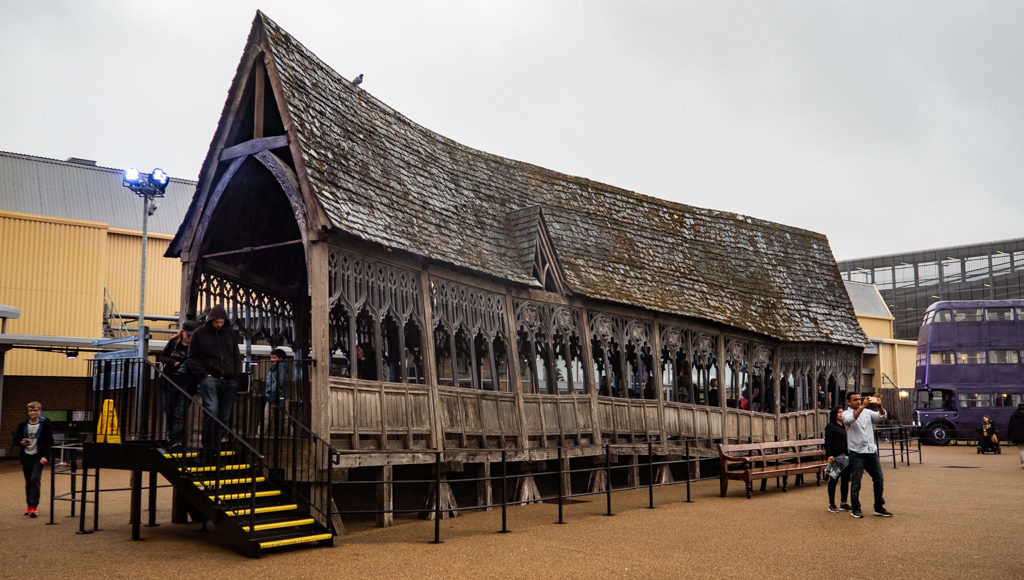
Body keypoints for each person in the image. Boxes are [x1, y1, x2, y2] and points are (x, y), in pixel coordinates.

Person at [187, 305, 242, 458]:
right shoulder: (199, 334)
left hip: (229, 379)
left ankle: (213, 448)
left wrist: (236, 374)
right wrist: (205, 374)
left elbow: (236, 355)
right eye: (216, 322)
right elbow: (191, 358)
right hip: (211, 378)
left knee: (223, 416)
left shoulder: (230, 334)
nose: (219, 324)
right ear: (211, 320)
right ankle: (208, 448)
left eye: (221, 322)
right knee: (212, 411)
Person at [843, 392, 892, 518]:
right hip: (857, 452)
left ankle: (878, 506)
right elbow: (850, 419)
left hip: (871, 451)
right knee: (856, 481)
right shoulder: (846, 413)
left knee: (879, 479)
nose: (858, 401)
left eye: (859, 399)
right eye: (855, 400)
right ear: (849, 402)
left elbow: (882, 417)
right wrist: (863, 406)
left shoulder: (868, 412)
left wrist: (879, 406)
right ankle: (855, 508)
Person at [157, 320, 198, 449]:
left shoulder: (196, 347)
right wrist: (173, 362)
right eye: (188, 335)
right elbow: (161, 357)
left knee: (179, 413)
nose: (190, 338)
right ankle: (171, 436)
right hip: (170, 380)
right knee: (169, 410)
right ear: (182, 332)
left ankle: (177, 440)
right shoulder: (174, 342)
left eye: (192, 336)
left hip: (185, 383)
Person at [12, 401, 54, 518]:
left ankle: (34, 506)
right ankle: (29, 505)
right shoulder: (23, 424)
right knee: (28, 481)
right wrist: (21, 442)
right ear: (28, 412)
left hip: (38, 456)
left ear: (39, 411)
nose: (33, 412)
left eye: (35, 410)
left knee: (35, 478)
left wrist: (45, 456)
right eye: (31, 410)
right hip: (26, 456)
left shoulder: (45, 425)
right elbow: (16, 440)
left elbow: (50, 442)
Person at [824, 405, 851, 513]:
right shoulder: (831, 426)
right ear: (835, 414)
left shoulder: (845, 425)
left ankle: (843, 502)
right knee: (834, 480)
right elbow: (828, 442)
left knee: (845, 480)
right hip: (836, 456)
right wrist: (829, 455)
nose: (841, 414)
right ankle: (831, 503)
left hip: (846, 455)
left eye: (842, 412)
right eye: (839, 412)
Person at [1007, 403, 1024, 469]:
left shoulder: (1014, 415)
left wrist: (1009, 435)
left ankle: (1023, 464)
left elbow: (1010, 426)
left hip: (1018, 435)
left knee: (1021, 449)